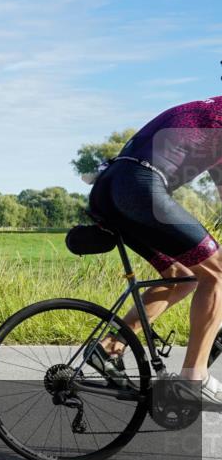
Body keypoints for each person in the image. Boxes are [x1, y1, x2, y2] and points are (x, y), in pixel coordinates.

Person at [87, 97, 222, 403]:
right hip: (140, 187)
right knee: (216, 274)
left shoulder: (211, 112)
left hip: (110, 188)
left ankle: (109, 347)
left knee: (181, 277)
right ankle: (194, 378)